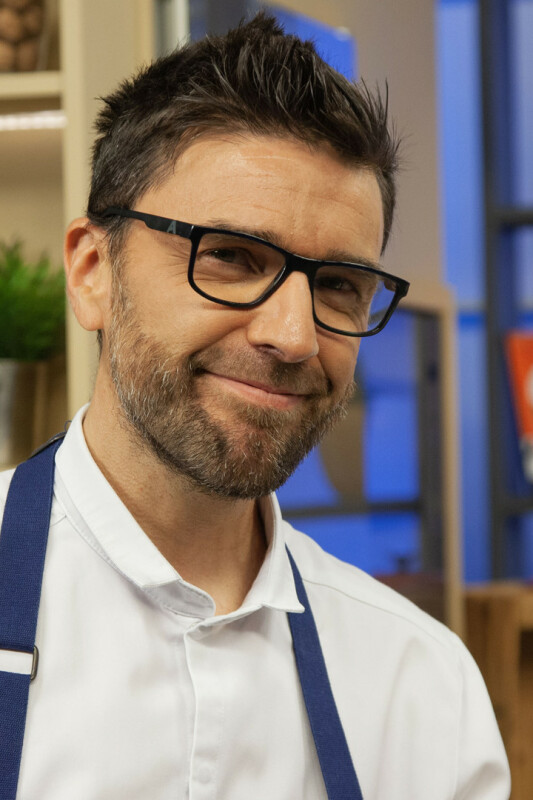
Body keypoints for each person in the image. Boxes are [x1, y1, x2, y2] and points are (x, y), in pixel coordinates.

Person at [0, 13, 510, 800]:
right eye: (232, 257)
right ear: (93, 270)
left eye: (337, 284)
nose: (293, 336)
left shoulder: (420, 685)